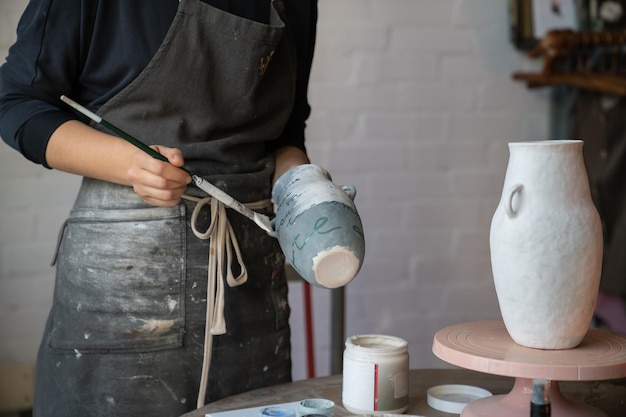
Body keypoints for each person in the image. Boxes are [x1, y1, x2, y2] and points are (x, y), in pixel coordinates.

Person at [0, 0, 318, 416]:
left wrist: (308, 191)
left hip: (250, 290)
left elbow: (287, 134)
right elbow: (16, 102)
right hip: (122, 289)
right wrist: (130, 164)